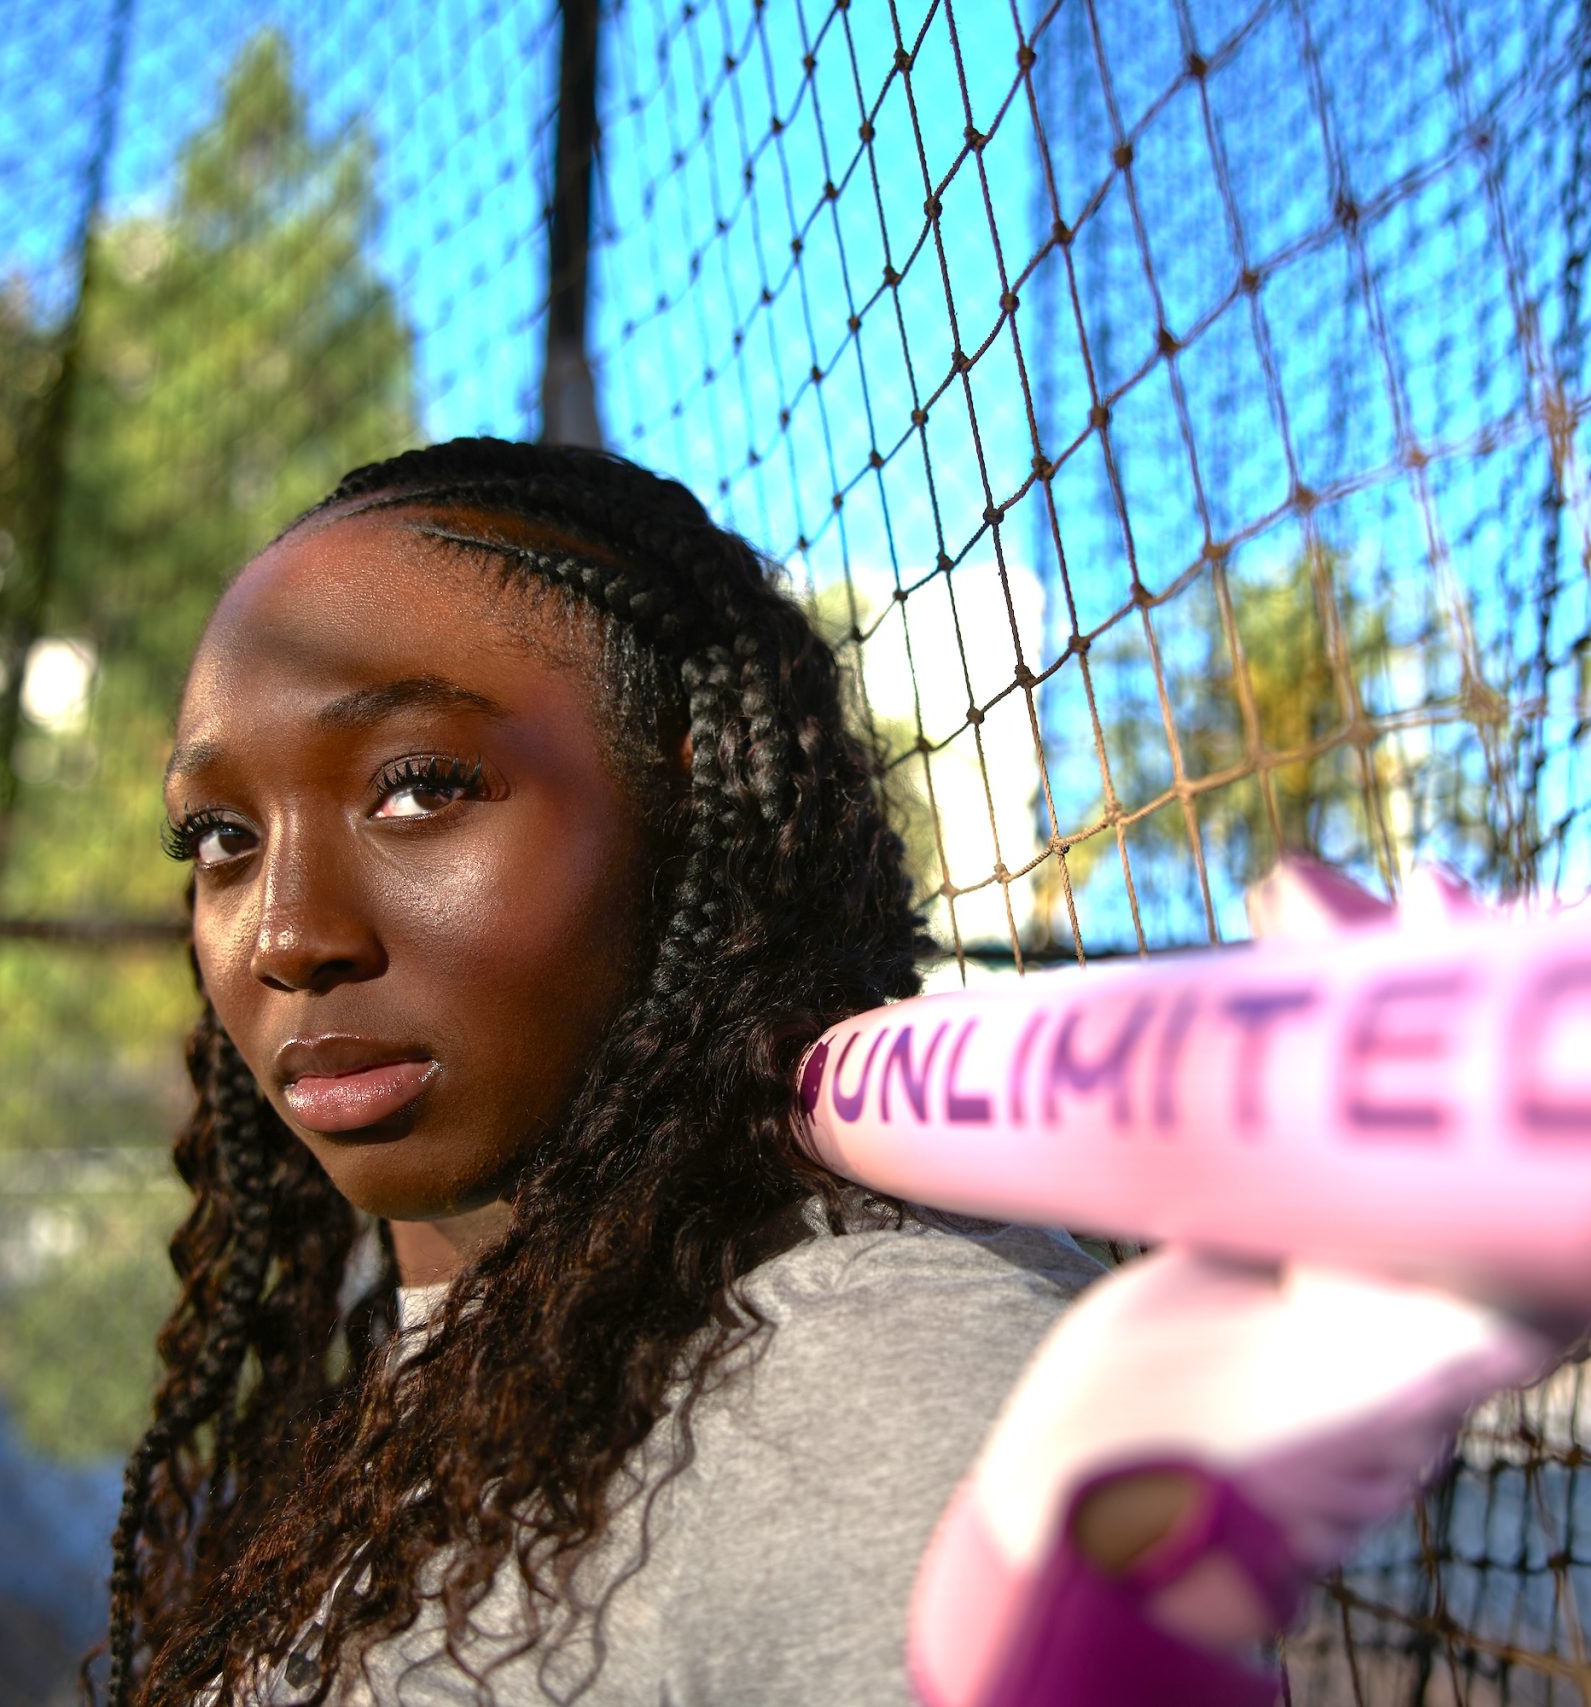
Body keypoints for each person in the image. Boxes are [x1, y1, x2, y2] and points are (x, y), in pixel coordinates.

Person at [101, 438, 1107, 1707]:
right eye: (221, 837)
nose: (287, 935)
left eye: (418, 787)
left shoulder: (897, 1387)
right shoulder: (387, 1380)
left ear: (687, 809)